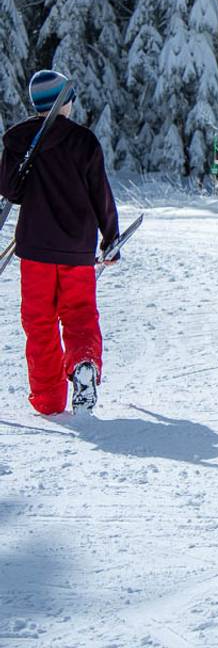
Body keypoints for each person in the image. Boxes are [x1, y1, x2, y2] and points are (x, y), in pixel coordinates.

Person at [0, 70, 120, 414]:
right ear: (64, 103)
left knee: (39, 322)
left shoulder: (17, 140)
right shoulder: (83, 141)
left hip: (35, 248)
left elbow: (10, 191)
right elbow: (101, 195)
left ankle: (49, 401)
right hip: (77, 249)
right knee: (79, 314)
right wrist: (110, 238)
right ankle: (83, 364)